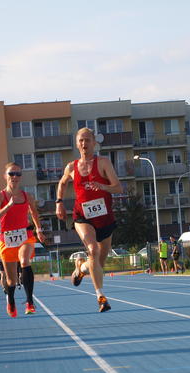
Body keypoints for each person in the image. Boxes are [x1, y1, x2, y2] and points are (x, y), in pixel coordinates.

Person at [55, 127, 123, 312]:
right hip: (82, 217)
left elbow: (118, 188)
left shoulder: (103, 163)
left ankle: (81, 268)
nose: (84, 143)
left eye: (87, 140)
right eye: (81, 140)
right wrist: (59, 202)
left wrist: (103, 186)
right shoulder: (71, 167)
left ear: (94, 142)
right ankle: (101, 297)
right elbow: (62, 183)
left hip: (105, 218)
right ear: (77, 144)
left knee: (98, 264)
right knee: (92, 249)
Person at [0, 162, 46, 317]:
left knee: (24, 261)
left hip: (25, 236)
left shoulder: (27, 196)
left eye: (18, 174)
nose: (15, 176)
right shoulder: (0, 196)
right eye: (11, 174)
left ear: (21, 177)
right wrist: (8, 206)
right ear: (5, 176)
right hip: (6, 239)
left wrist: (39, 230)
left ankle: (29, 302)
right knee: (11, 281)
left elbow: (34, 213)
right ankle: (11, 300)